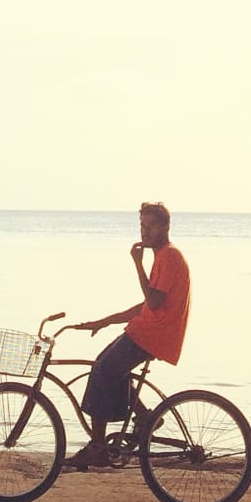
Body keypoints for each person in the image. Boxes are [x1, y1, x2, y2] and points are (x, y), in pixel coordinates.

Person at [65, 201, 191, 469]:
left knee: (102, 370)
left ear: (165, 227)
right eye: (142, 226)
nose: (145, 232)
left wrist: (137, 264)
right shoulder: (163, 256)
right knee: (109, 367)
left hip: (153, 335)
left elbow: (153, 303)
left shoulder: (168, 256)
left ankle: (98, 447)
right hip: (148, 330)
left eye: (151, 226)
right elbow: (146, 306)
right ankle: (145, 417)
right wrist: (104, 321)